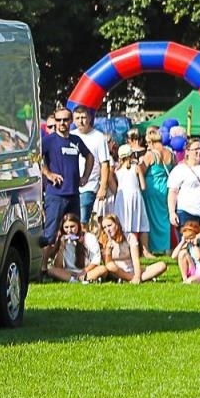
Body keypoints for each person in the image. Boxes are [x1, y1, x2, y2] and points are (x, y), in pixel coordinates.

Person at [39, 107, 92, 251]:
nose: (62, 122)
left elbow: (89, 156)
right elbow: (35, 159)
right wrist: (49, 174)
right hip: (56, 194)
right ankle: (44, 268)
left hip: (74, 193)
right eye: (58, 120)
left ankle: (72, 265)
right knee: (50, 235)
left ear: (71, 121)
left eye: (65, 119)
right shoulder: (48, 140)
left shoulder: (76, 140)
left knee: (74, 232)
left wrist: (86, 176)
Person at [166, 136, 200, 246]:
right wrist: (172, 212)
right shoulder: (179, 170)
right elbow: (173, 193)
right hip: (187, 213)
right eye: (195, 149)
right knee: (188, 247)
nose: (199, 152)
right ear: (187, 151)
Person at [97, 214, 166, 284]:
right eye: (104, 227)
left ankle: (135, 279)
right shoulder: (103, 241)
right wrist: (108, 251)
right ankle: (134, 279)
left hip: (132, 269)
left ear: (116, 224)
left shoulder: (129, 237)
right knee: (111, 266)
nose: (107, 229)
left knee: (162, 265)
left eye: (109, 225)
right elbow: (108, 264)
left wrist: (137, 275)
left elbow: (136, 260)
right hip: (116, 272)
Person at [72, 107, 113, 225]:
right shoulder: (71, 136)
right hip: (72, 186)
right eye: (78, 118)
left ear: (89, 118)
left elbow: (105, 164)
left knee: (82, 220)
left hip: (90, 185)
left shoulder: (99, 137)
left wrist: (103, 187)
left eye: (83, 117)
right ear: (73, 120)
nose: (81, 121)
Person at [109, 143, 148, 257]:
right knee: (142, 222)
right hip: (135, 196)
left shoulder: (117, 170)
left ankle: (124, 247)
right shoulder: (136, 168)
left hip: (122, 198)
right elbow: (143, 186)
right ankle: (145, 249)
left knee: (123, 222)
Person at [142, 125, 175, 253]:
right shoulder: (170, 154)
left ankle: (154, 247)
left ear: (151, 141)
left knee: (151, 218)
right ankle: (165, 246)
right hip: (166, 187)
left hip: (152, 187)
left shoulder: (151, 154)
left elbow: (142, 170)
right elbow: (175, 169)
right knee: (164, 217)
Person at [45, 214, 104, 283]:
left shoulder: (89, 237)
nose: (69, 230)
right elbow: (57, 266)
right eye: (66, 227)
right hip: (69, 272)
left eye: (72, 227)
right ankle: (78, 280)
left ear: (78, 226)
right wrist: (61, 247)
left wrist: (83, 272)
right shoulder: (62, 239)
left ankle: (82, 279)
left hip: (87, 270)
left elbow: (95, 261)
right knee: (51, 270)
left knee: (102, 269)